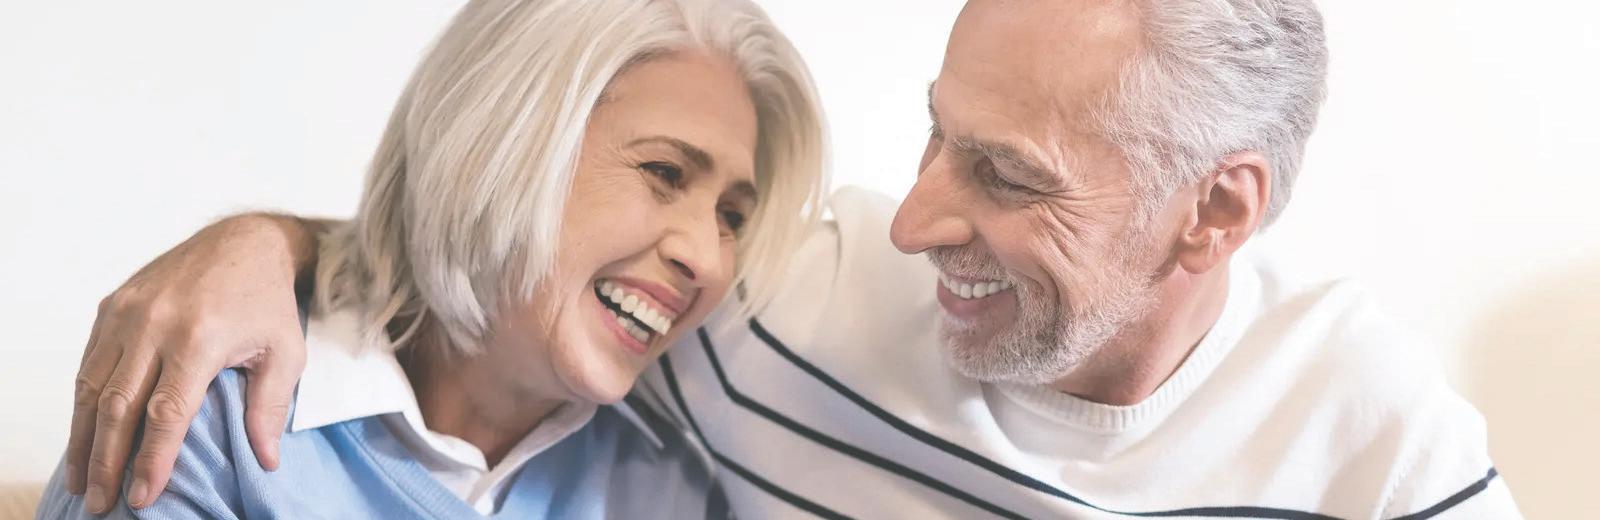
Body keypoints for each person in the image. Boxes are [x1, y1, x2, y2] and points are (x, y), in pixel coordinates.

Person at [61, 0, 1523, 518]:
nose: (912, 221)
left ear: (1214, 214)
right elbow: (498, 271)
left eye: (1005, 174)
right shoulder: (765, 331)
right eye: (939, 135)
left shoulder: (1381, 442)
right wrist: (262, 246)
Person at [38, 0, 825, 517]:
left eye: (731, 216)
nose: (707, 258)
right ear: (501, 144)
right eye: (664, 173)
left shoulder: (676, 491)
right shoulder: (206, 407)